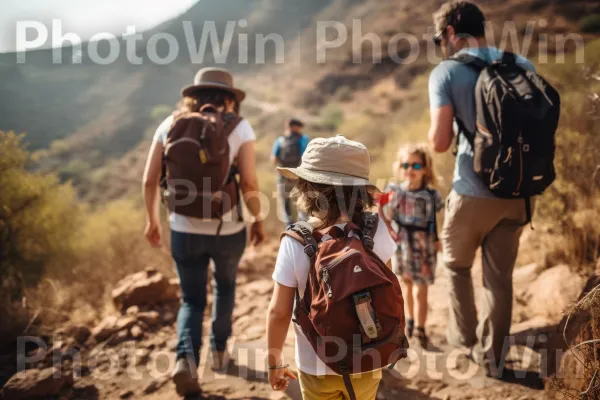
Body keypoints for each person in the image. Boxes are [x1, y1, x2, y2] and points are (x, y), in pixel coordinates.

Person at [427, 1, 536, 376]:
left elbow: (440, 142)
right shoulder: (521, 65)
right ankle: (493, 359)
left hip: (472, 192)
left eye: (440, 37)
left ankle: (466, 341)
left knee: (456, 266)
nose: (441, 44)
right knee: (499, 279)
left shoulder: (447, 72)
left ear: (452, 33)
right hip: (518, 194)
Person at [142, 67, 264, 396]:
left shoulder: (169, 125)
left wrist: (152, 220)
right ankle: (220, 351)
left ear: (192, 97)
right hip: (228, 228)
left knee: (192, 299)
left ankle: (186, 362)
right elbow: (250, 183)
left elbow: (149, 180)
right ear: (230, 99)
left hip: (182, 228)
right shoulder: (240, 127)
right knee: (225, 287)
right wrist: (259, 220)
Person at [266, 135, 398, 400]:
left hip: (316, 365)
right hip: (369, 358)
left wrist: (275, 362)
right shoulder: (376, 229)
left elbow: (279, 312)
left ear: (306, 188)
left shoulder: (295, 240)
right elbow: (388, 287)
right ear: (361, 190)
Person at [379, 144, 443, 349]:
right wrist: (389, 228)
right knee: (405, 286)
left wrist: (437, 239)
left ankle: (421, 329)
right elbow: (380, 208)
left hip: (423, 245)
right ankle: (410, 322)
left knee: (421, 289)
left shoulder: (432, 195)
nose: (410, 169)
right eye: (406, 164)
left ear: (425, 168)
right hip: (403, 244)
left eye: (416, 165)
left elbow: (436, 218)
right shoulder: (395, 191)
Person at [271, 118, 310, 226]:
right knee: (302, 204)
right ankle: (302, 228)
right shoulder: (304, 139)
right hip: (299, 176)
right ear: (297, 127)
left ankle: (288, 229)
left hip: (282, 177)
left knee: (284, 205)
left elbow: (273, 159)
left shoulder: (280, 140)